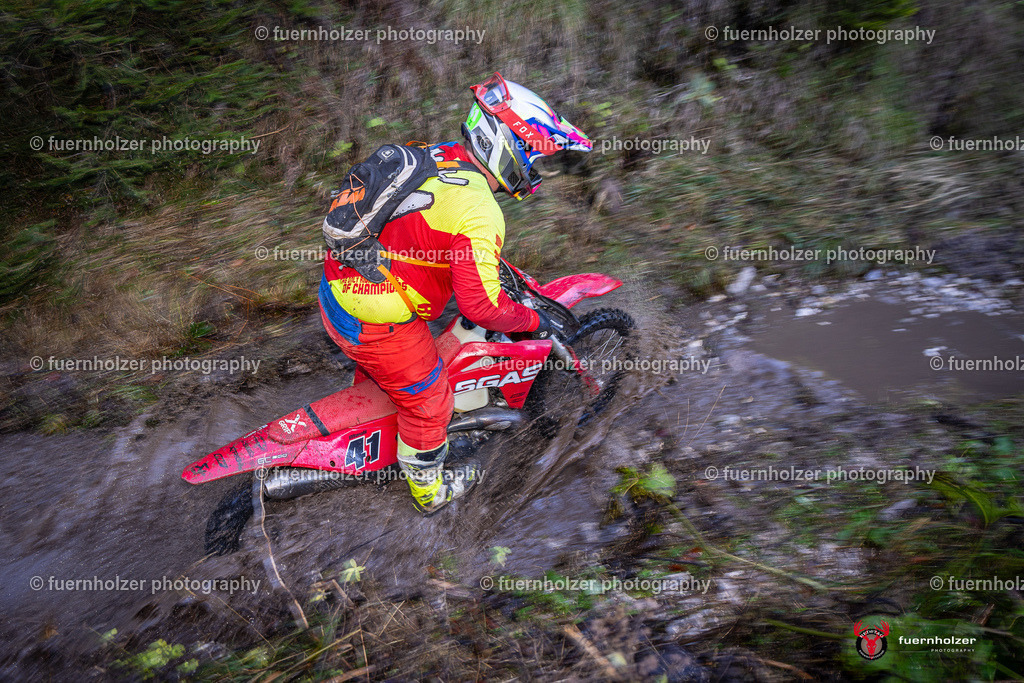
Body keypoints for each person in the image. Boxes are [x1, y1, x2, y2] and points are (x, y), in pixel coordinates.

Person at [318, 72, 592, 514]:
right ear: (507, 147)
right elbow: (480, 306)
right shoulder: (481, 211)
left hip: (338, 285)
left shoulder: (434, 153)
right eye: (534, 159)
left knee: (400, 379)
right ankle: (429, 492)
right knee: (431, 404)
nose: (535, 172)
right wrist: (535, 321)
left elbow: (421, 226)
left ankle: (381, 415)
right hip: (374, 321)